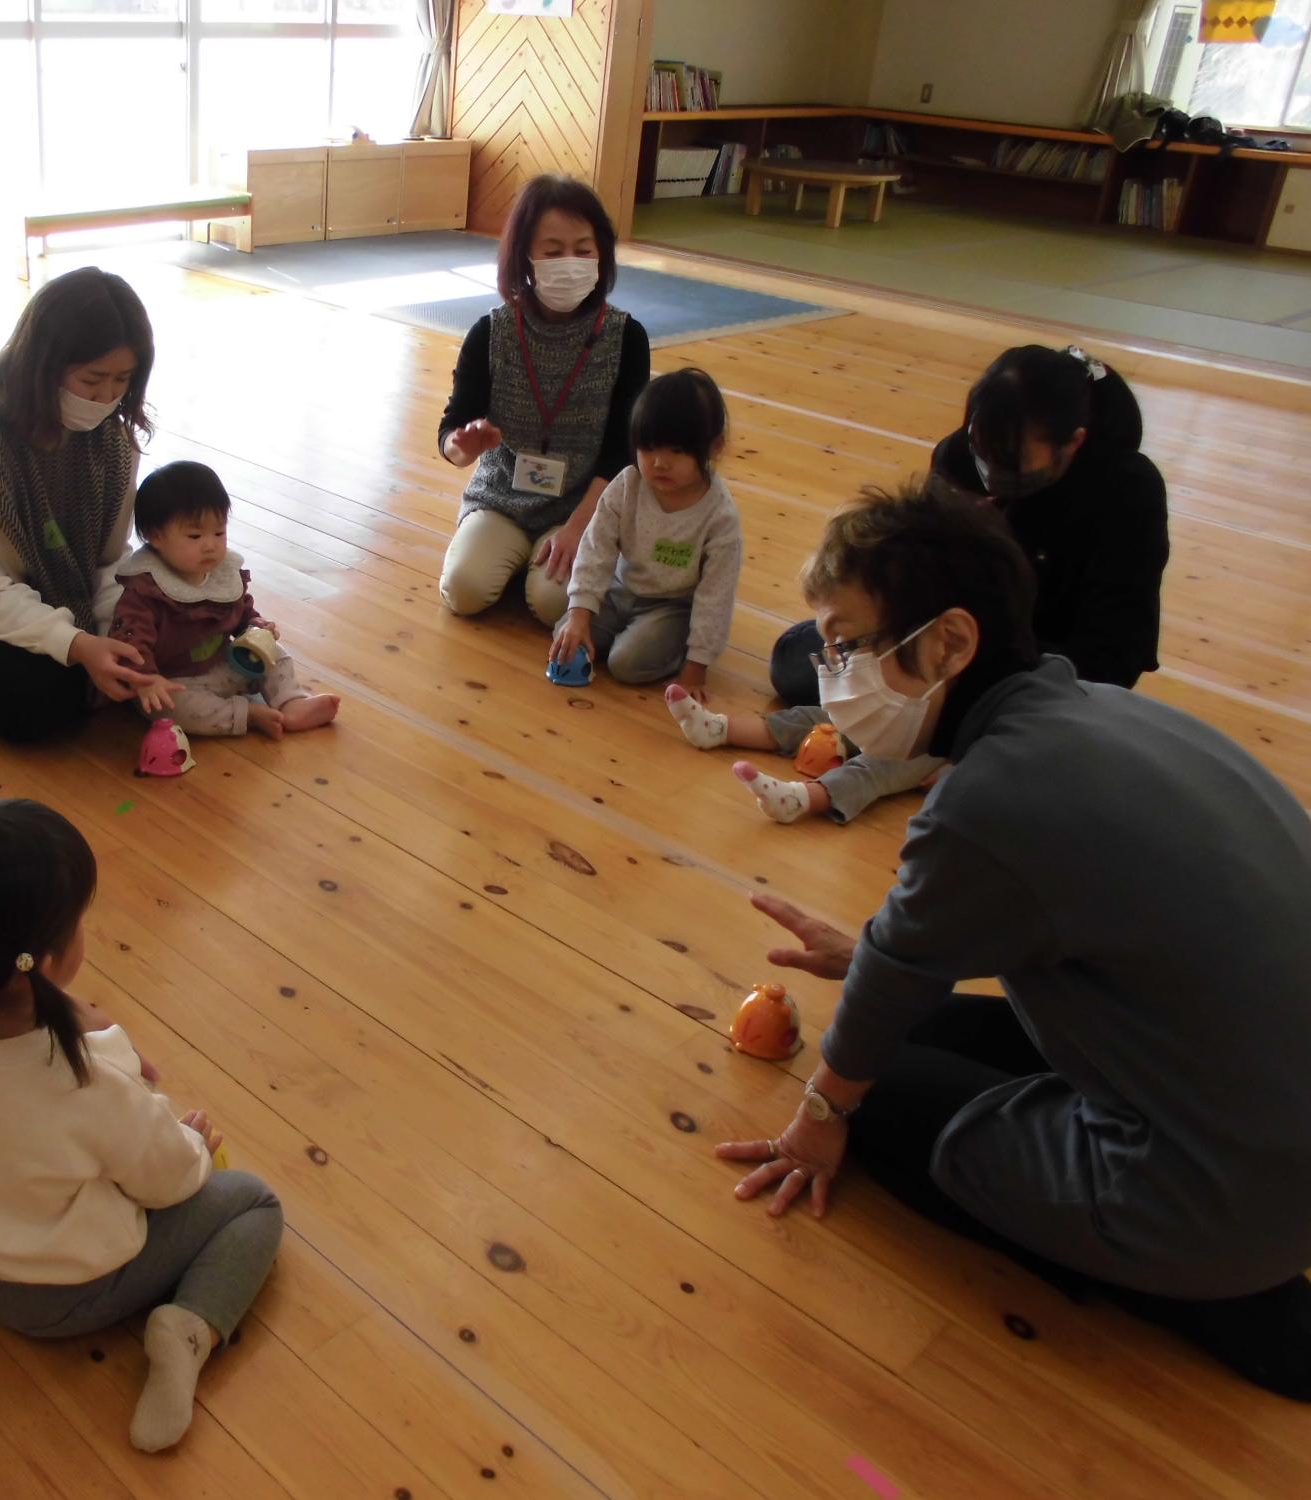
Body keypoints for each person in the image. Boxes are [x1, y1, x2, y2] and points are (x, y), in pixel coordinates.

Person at [716, 484, 1311, 1401]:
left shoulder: (987, 797)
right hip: (1266, 1122)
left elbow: (888, 1003)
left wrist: (819, 1121)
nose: (833, 673)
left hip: (1225, 1199)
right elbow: (1079, 922)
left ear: (951, 640)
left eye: (848, 644)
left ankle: (1205, 1290)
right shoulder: (1111, 712)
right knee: (918, 1033)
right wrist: (880, 958)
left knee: (881, 1098)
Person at [0, 798, 283, 1451]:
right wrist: (194, 1147)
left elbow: (0, 1090)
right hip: (60, 1298)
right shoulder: (84, 1082)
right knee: (255, 1203)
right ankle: (187, 1332)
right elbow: (168, 1183)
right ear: (43, 959)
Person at [741, 345, 1169, 825]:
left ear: (1074, 442)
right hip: (944, 651)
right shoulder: (957, 461)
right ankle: (894, 730)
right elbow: (912, 587)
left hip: (1049, 670)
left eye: (1013, 466)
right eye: (984, 454)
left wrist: (975, 732)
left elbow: (1117, 654)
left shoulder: (1126, 491)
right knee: (797, 658)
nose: (993, 478)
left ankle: (893, 749)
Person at [0, 267, 157, 743]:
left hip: (58, 597)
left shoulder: (112, 439)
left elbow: (108, 561)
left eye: (122, 380)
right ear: (44, 364)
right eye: (92, 379)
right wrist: (81, 645)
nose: (107, 398)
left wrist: (123, 631)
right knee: (41, 700)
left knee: (169, 637)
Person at [437, 174, 651, 623]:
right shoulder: (490, 332)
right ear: (524, 258)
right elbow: (452, 430)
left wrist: (579, 528)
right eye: (552, 252)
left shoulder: (626, 337)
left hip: (581, 503)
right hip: (500, 497)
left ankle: (540, 560)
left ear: (602, 254)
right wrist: (462, 445)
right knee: (464, 590)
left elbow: (622, 451)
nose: (569, 263)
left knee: (553, 604)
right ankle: (513, 553)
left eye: (583, 249)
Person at [111, 459, 340, 738]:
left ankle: (291, 701)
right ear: (155, 536)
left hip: (228, 664)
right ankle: (248, 715)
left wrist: (256, 627)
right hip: (174, 681)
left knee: (276, 656)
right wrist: (146, 681)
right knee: (171, 709)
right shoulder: (145, 590)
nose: (210, 544)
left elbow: (241, 611)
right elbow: (130, 642)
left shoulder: (221, 574)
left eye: (219, 532)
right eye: (195, 535)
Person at [549, 367, 740, 691]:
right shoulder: (627, 485)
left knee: (627, 663)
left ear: (714, 447)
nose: (659, 463)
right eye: (648, 448)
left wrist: (697, 665)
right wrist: (580, 613)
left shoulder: (720, 517)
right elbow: (597, 549)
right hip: (620, 591)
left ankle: (676, 647)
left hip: (671, 608)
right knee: (565, 633)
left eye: (677, 451)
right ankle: (609, 630)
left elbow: (716, 597)